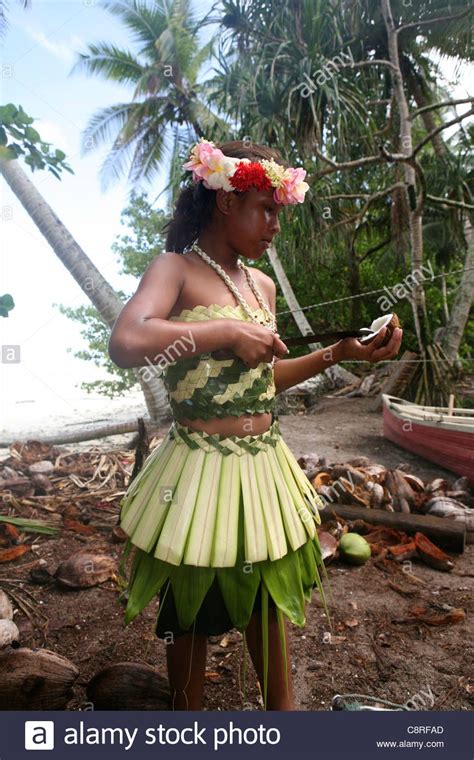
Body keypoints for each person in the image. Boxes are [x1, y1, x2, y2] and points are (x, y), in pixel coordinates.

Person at [109, 139, 403, 712]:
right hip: (198, 469)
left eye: (278, 212)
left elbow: (266, 380)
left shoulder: (260, 286)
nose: (275, 226)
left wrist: (342, 352)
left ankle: (284, 723)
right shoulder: (177, 269)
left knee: (267, 604)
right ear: (225, 201)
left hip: (263, 465)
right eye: (265, 209)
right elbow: (127, 341)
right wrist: (222, 332)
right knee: (192, 611)